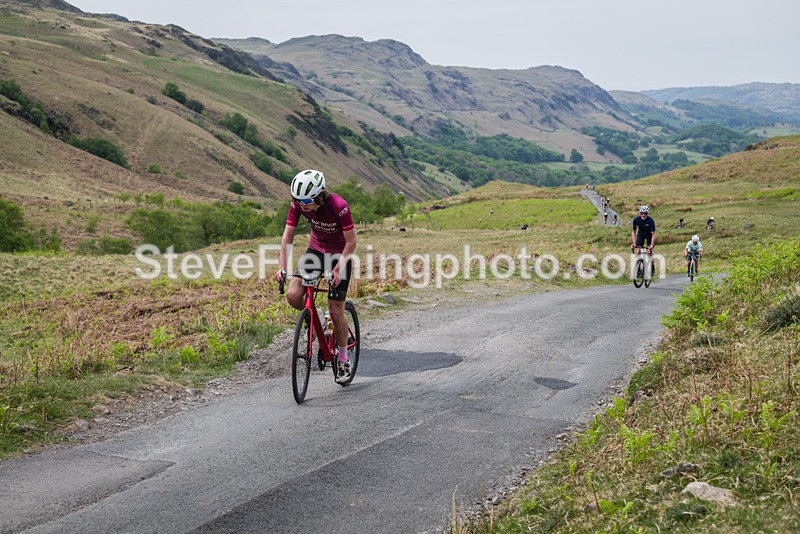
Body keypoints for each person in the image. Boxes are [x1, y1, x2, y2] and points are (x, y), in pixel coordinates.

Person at [275, 169, 357, 383]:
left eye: (306, 201)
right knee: (293, 295)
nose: (302, 206)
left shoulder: (339, 207)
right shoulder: (298, 205)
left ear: (320, 196)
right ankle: (318, 320)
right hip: (316, 252)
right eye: (297, 200)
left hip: (339, 254)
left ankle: (342, 357)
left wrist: (338, 269)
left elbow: (351, 242)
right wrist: (283, 267)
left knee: (335, 309)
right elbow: (288, 236)